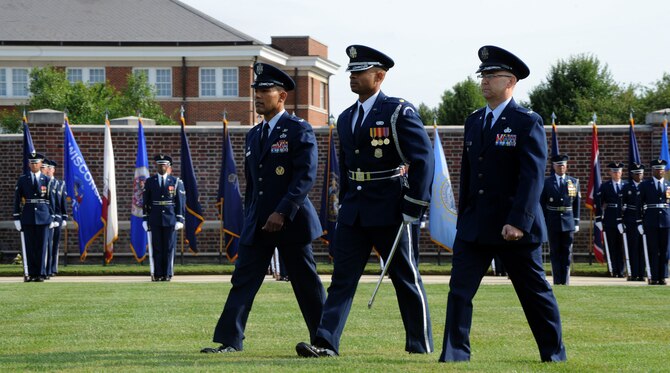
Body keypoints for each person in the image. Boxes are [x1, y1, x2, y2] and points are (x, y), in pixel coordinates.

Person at [296, 45, 434, 358]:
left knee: (405, 277)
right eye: (351, 72)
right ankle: (325, 342)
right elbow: (346, 165)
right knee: (342, 279)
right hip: (355, 211)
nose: (353, 77)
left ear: (379, 75)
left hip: (390, 207)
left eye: (360, 72)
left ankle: (420, 344)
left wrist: (414, 204)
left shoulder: (398, 111)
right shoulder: (346, 118)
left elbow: (423, 158)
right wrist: (344, 203)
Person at [439, 45, 566, 363]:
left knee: (534, 292)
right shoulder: (474, 121)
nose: (483, 81)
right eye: (481, 75)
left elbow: (532, 177)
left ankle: (553, 354)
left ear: (510, 81)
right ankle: (455, 355)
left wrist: (519, 221)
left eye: (491, 75)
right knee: (459, 291)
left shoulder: (526, 122)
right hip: (476, 225)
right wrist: (464, 216)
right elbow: (468, 174)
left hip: (514, 227)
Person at [201, 62, 326, 353]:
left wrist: (282, 211)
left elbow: (305, 176)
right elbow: (252, 185)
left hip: (291, 221)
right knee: (243, 280)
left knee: (306, 283)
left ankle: (324, 341)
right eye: (256, 90)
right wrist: (251, 217)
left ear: (281, 96)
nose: (258, 96)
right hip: (258, 223)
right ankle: (230, 342)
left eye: (265, 90)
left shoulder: (298, 129)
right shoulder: (253, 135)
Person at [13, 152, 56, 282]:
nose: (34, 165)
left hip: (43, 216)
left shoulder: (47, 180)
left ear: (41, 164)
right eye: (31, 163)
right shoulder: (23, 179)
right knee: (30, 247)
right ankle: (31, 273)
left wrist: (53, 217)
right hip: (28, 216)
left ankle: (41, 273)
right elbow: (17, 199)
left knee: (42, 247)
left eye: (36, 163)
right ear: (29, 164)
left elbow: (51, 200)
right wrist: (16, 217)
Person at [142, 154, 185, 281]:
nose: (162, 167)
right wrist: (145, 219)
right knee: (157, 247)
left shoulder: (176, 182)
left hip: (170, 219)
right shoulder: (150, 181)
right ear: (157, 166)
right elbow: (145, 201)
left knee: (169, 247)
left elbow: (181, 202)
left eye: (164, 165)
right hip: (155, 219)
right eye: (159, 165)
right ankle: (158, 273)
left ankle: (167, 274)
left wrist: (180, 219)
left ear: (168, 167)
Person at [540, 154, 580, 285]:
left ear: (566, 166)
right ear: (553, 166)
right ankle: (557, 280)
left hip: (568, 221)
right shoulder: (547, 182)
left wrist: (576, 221)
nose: (561, 167)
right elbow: (542, 203)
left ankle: (566, 280)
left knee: (567, 252)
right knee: (555, 251)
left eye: (563, 165)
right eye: (558, 165)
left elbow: (576, 203)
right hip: (553, 221)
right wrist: (544, 221)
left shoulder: (573, 182)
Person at [637, 159, 669, 285]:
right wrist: (639, 221)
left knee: (665, 250)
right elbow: (639, 204)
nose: (659, 171)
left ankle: (663, 276)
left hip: (666, 221)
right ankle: (654, 276)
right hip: (651, 221)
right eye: (657, 168)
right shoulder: (645, 185)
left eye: (661, 169)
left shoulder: (668, 185)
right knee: (653, 249)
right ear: (653, 170)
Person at [595, 162, 626, 278]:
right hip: (610, 218)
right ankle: (613, 270)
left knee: (622, 246)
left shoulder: (626, 185)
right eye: (614, 171)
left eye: (618, 171)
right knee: (612, 245)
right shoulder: (605, 186)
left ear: (622, 172)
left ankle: (622, 270)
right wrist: (598, 218)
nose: (616, 173)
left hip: (623, 219)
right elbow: (599, 203)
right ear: (610, 173)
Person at [42, 159, 67, 278]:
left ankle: (53, 268)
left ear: (53, 170)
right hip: (45, 217)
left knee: (54, 243)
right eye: (45, 168)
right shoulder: (42, 183)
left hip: (56, 218)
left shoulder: (59, 184)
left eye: (50, 169)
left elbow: (62, 203)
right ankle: (46, 268)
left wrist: (64, 217)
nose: (47, 171)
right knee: (46, 244)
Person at [621, 163, 646, 281]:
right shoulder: (626, 187)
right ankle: (634, 273)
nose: (639, 176)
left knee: (644, 247)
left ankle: (643, 273)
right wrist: (620, 221)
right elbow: (621, 204)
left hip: (645, 219)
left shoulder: (646, 186)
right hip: (631, 220)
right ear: (632, 174)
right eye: (636, 173)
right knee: (633, 247)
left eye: (640, 173)